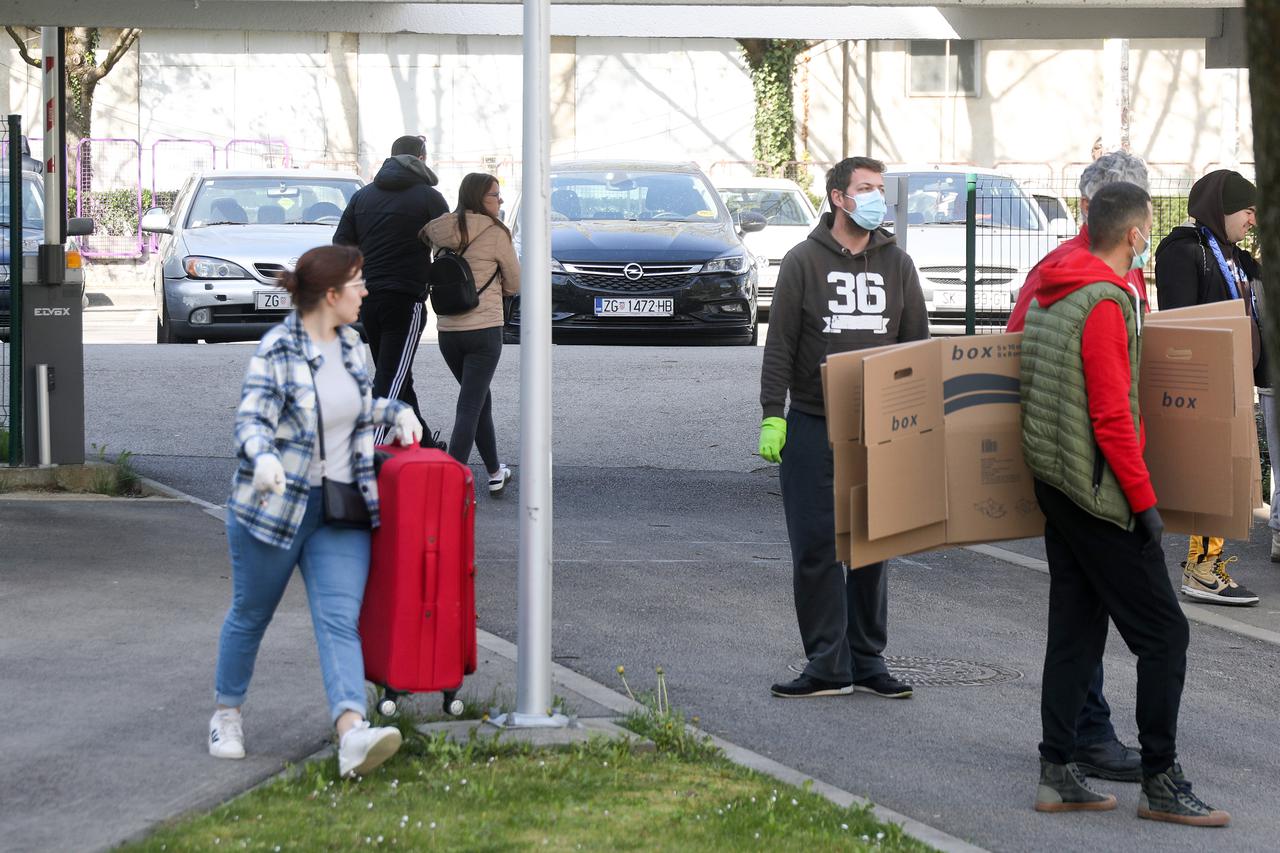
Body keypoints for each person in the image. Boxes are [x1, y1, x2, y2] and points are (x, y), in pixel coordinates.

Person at [1021, 181, 1228, 826]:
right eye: (1147, 232)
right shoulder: (1106, 303)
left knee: (1076, 629)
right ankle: (1162, 782)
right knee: (1165, 634)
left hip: (1055, 480)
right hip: (1097, 492)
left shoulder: (1052, 285)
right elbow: (1112, 418)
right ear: (1135, 235)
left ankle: (1056, 773)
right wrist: (1145, 507)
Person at [210, 244, 424, 779]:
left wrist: (395, 412)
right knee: (251, 614)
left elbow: (353, 407)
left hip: (340, 505)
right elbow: (252, 421)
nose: (366, 292)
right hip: (274, 507)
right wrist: (261, 460)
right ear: (331, 294)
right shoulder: (277, 348)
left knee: (338, 620)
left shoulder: (352, 345)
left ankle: (352, 733)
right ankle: (227, 714)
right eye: (358, 283)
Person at [759, 156, 928, 700]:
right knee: (816, 548)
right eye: (866, 188)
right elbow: (780, 342)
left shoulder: (898, 263)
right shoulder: (802, 262)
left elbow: (916, 345)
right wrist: (772, 413)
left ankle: (866, 659)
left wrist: (919, 423)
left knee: (872, 546)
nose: (877, 197)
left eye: (880, 188)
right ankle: (826, 663)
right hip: (812, 422)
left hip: (878, 428)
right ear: (839, 197)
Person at [1006, 151, 1150, 784]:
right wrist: (1141, 499)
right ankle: (1088, 736)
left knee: (1079, 616)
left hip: (1085, 467)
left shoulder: (1111, 275)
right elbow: (1024, 360)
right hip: (1090, 473)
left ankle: (1066, 752)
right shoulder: (1069, 276)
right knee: (1136, 626)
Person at [1154, 170, 1263, 604]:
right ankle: (1200, 569)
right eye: (1247, 212)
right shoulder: (1185, 251)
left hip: (1235, 383)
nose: (1252, 221)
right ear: (1223, 210)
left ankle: (1207, 564)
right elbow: (1180, 324)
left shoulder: (1235, 254)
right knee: (1211, 480)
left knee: (1225, 480)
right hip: (1205, 386)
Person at [334, 135, 450, 448]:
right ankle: (365, 450)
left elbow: (341, 243)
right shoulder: (429, 197)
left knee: (397, 373)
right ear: (422, 158)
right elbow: (451, 244)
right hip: (405, 298)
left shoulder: (363, 197)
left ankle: (422, 439)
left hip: (368, 298)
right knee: (390, 377)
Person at [422, 173, 521, 495]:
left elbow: (423, 237)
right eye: (495, 194)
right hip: (484, 330)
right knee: (470, 405)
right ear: (480, 197)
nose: (500, 200)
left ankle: (494, 471)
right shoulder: (495, 232)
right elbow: (514, 284)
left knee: (479, 401)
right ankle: (451, 480)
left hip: (449, 331)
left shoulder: (440, 228)